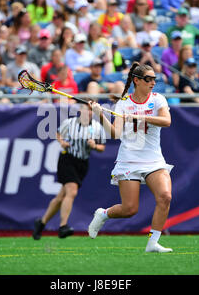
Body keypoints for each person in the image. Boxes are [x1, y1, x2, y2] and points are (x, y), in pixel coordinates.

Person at [88, 62, 174, 253]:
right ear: (136, 80)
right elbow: (115, 134)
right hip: (129, 159)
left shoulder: (158, 99)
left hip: (153, 160)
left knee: (165, 196)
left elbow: (166, 121)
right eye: (148, 79)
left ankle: (153, 243)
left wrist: (140, 118)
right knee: (129, 209)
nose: (152, 82)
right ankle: (103, 214)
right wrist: (100, 115)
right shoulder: (124, 103)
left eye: (154, 79)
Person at [33, 102, 106, 240]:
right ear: (80, 112)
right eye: (86, 110)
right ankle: (63, 226)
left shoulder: (97, 127)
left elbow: (102, 147)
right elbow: (58, 133)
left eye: (91, 111)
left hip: (82, 163)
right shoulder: (70, 123)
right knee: (72, 191)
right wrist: (62, 142)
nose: (89, 113)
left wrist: (95, 146)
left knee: (61, 197)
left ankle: (41, 224)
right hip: (67, 159)